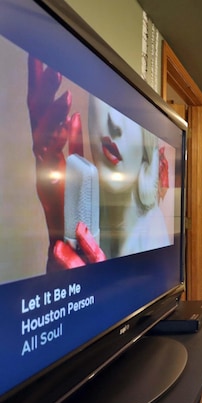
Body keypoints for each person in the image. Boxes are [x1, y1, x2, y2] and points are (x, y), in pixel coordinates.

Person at [27, 56, 169, 272]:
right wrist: (59, 234)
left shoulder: (155, 241)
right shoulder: (83, 199)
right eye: (107, 97)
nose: (114, 123)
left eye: (134, 113)